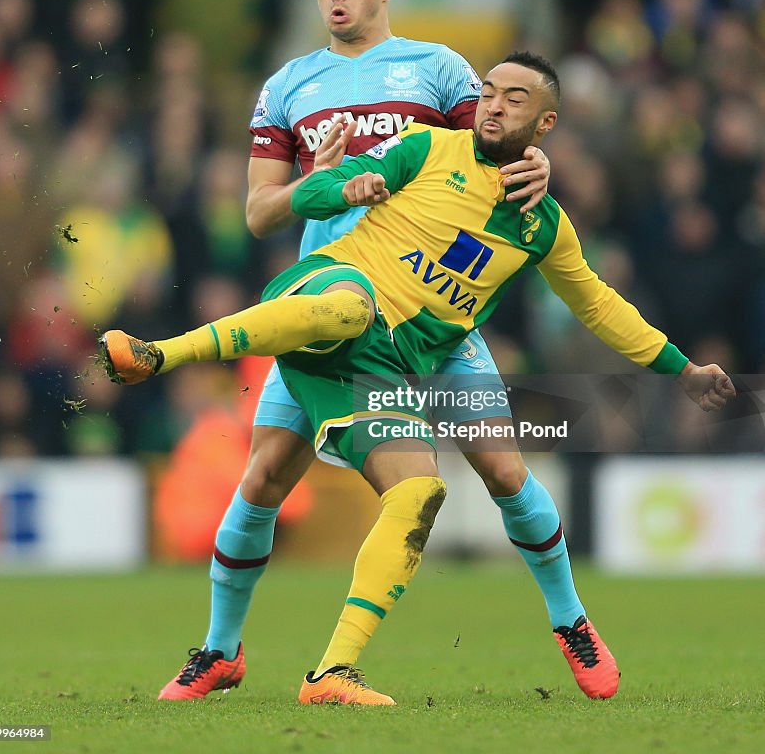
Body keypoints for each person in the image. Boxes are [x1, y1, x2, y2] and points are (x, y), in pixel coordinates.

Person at [100, 51, 735, 704]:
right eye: (488, 92)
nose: (492, 104)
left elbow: (600, 305)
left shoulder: (539, 221)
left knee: (486, 477)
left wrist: (680, 369)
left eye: (513, 99)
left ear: (545, 124)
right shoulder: (425, 146)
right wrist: (341, 185)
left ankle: (564, 621)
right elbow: (310, 194)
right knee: (268, 461)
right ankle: (159, 362)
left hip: (409, 358)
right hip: (323, 296)